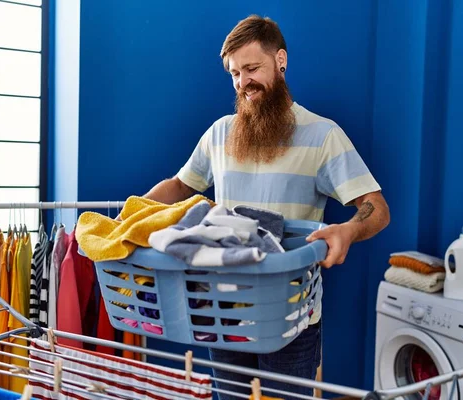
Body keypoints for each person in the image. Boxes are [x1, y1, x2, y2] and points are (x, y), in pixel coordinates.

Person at [141, 14, 390, 399]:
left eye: (252, 68)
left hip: (290, 316)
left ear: (281, 61)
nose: (243, 83)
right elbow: (179, 186)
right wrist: (131, 216)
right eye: (234, 74)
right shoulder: (220, 133)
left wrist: (348, 229)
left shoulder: (323, 135)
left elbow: (375, 206)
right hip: (222, 310)